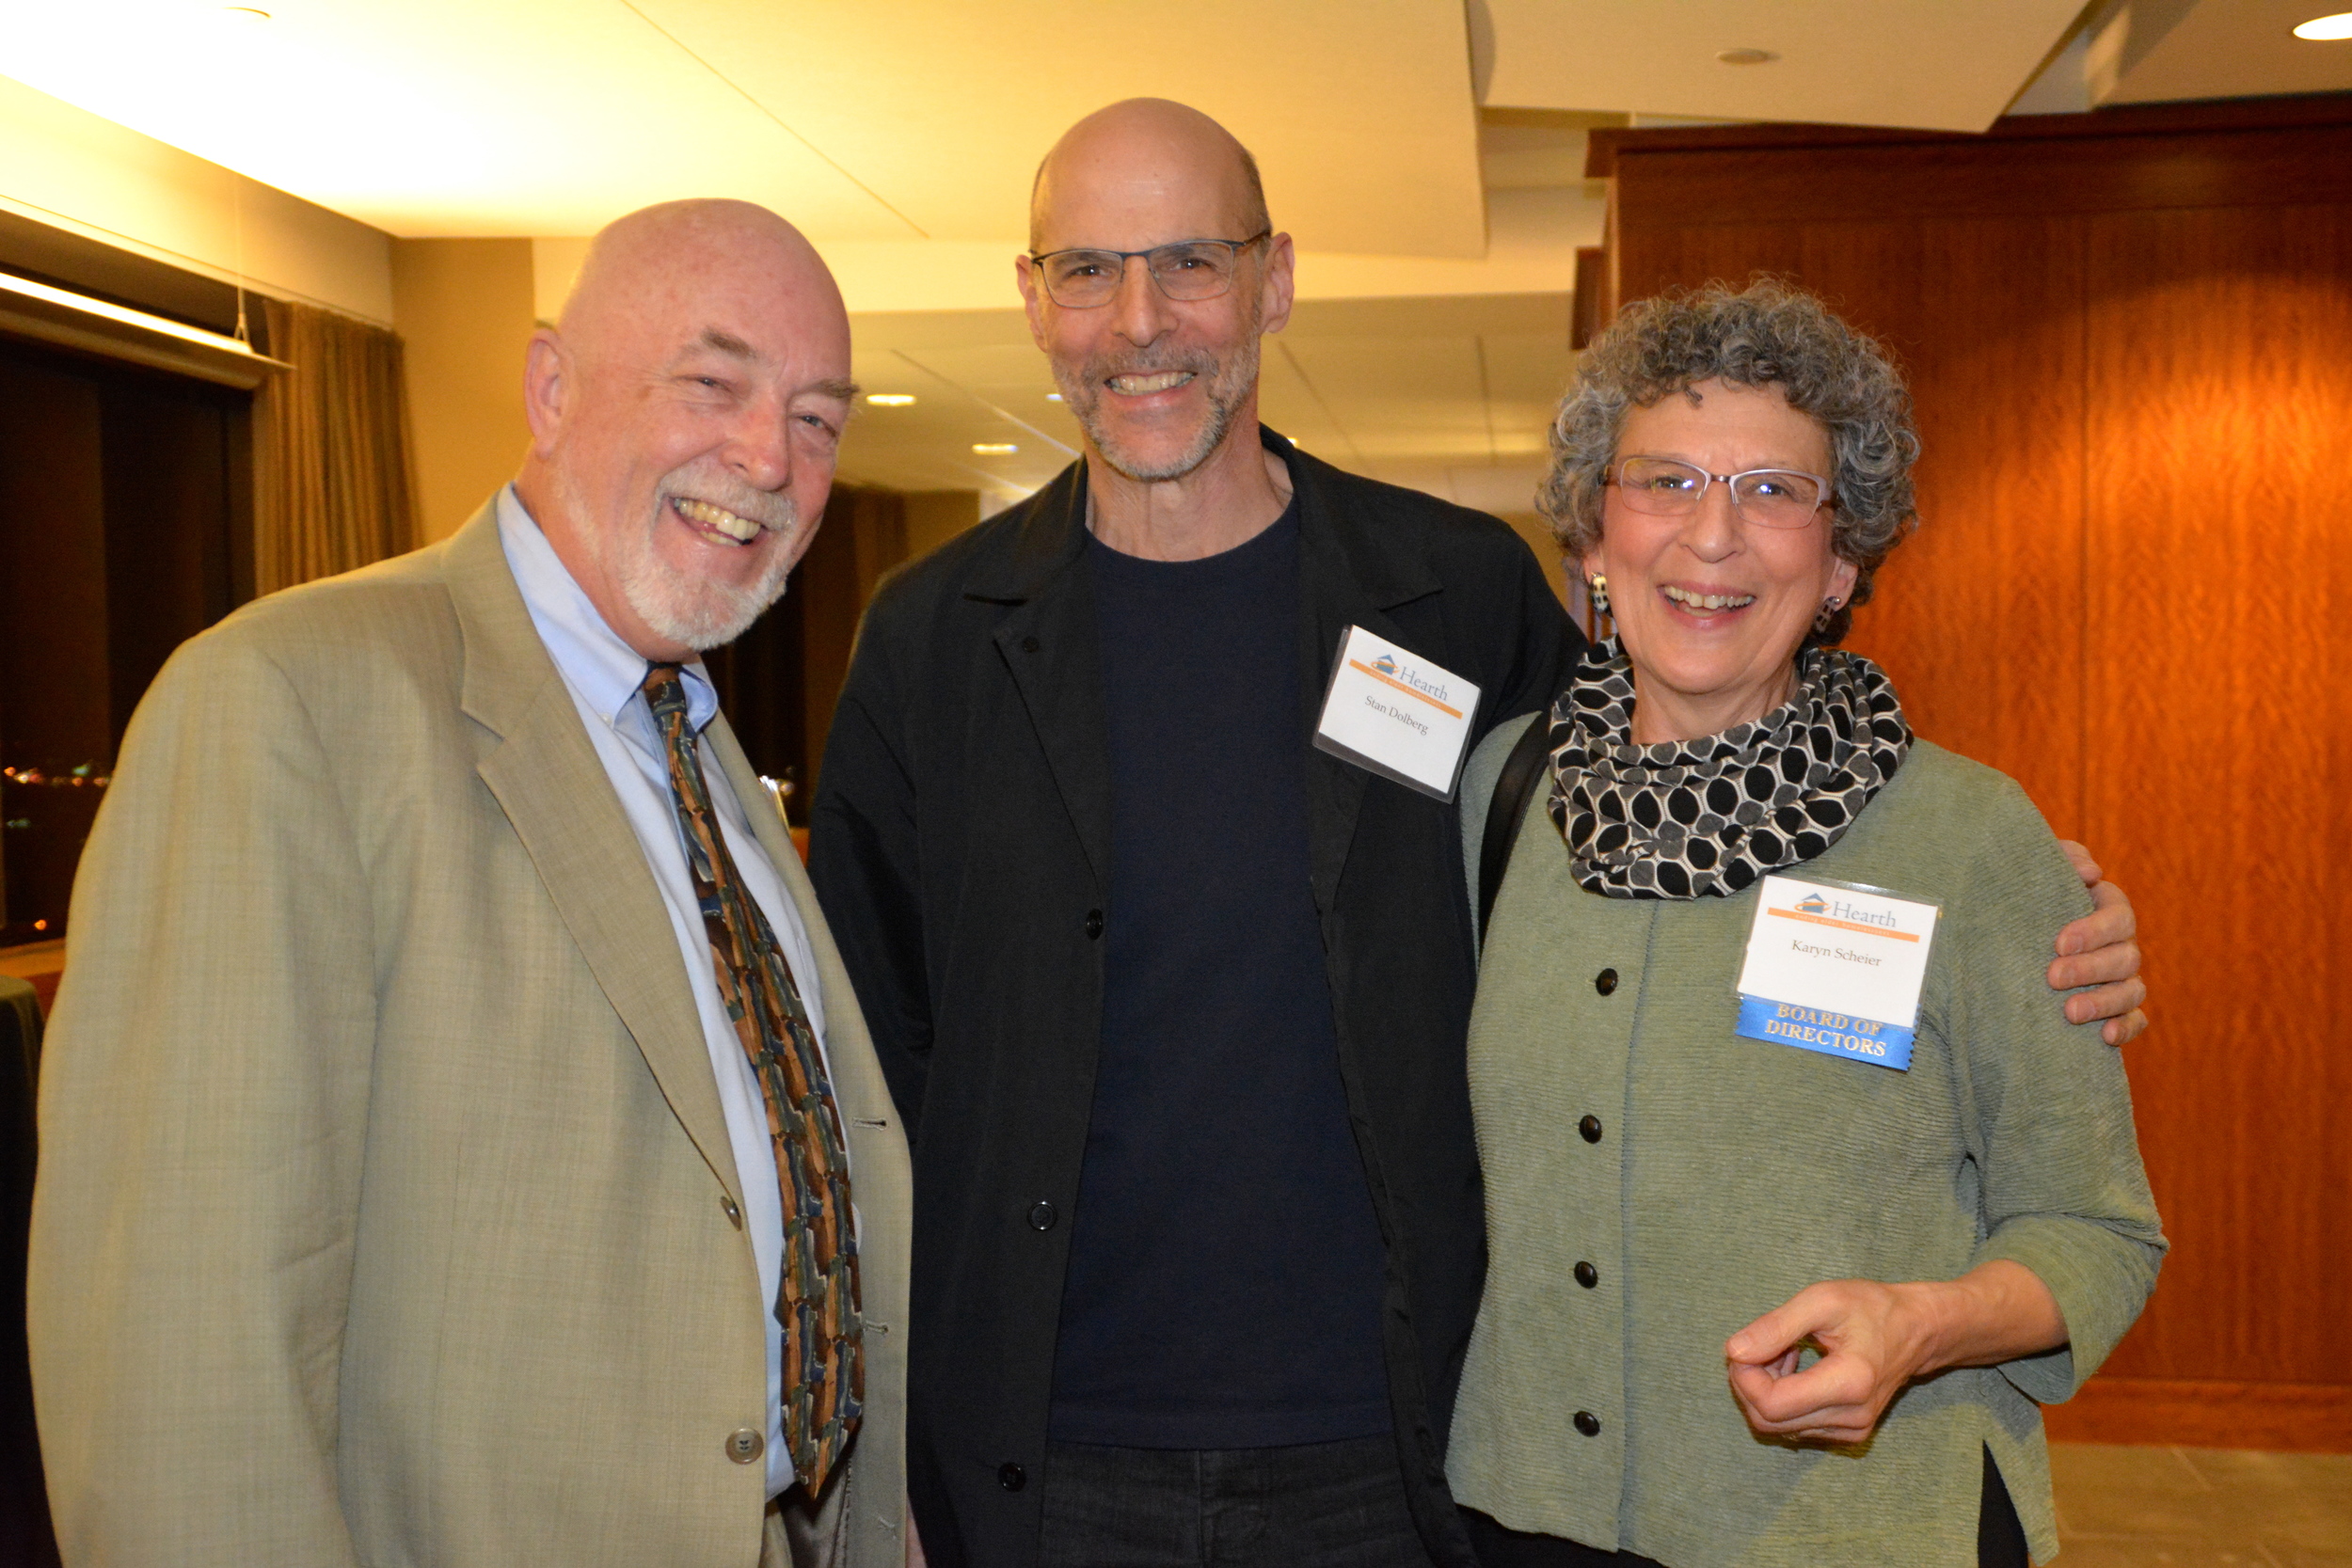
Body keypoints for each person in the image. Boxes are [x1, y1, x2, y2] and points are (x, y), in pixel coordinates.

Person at [808, 102, 2148, 1568]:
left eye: (1190, 261)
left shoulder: (1445, 600)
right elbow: (871, 1056)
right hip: (1048, 1450)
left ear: (1275, 279)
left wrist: (2032, 915)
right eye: (1087, 269)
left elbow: (1713, 764)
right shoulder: (933, 643)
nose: (1141, 320)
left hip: (1401, 1450)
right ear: (1031, 296)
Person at [28, 200, 914, 1568]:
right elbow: (182, 1348)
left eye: (816, 418)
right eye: (713, 383)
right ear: (550, 390)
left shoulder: (697, 743)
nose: (768, 457)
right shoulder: (288, 704)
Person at [1448, 280, 2166, 1568]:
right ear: (1595, 536)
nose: (1711, 539)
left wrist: (1922, 1324)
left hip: (1862, 1528)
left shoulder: (1971, 840)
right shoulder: (1498, 801)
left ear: (1841, 562)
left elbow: (2097, 1231)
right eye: (1664, 481)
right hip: (1531, 1515)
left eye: (1774, 492)